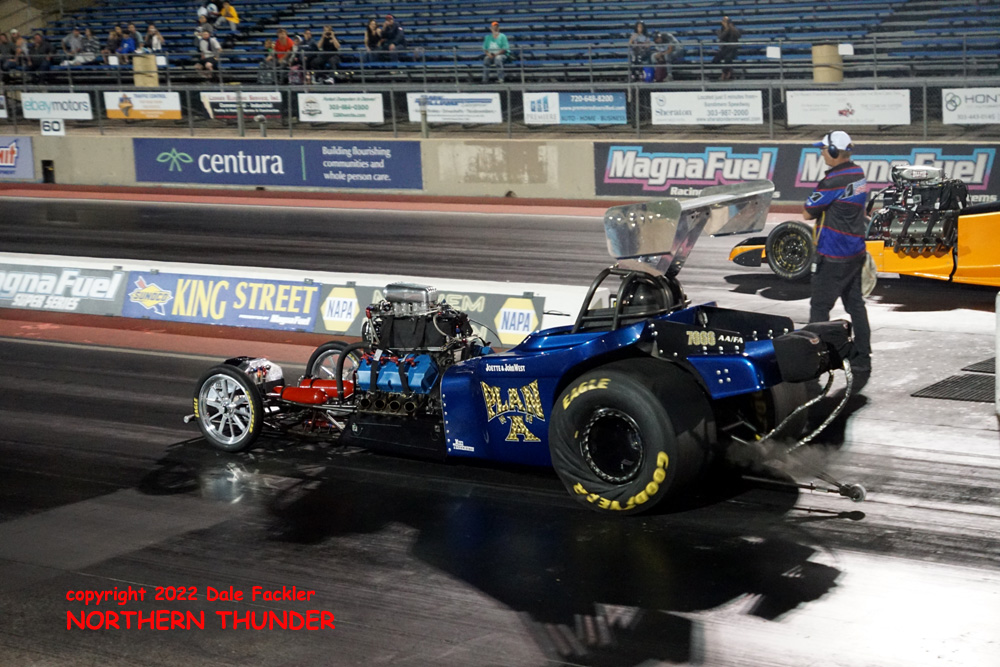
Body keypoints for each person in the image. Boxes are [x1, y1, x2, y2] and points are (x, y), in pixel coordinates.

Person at [802, 131, 872, 390]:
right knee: (856, 306)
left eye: (823, 149)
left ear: (833, 151)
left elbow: (807, 212)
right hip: (854, 252)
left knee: (819, 308)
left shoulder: (832, 180)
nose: (821, 153)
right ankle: (862, 358)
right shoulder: (857, 173)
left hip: (833, 254)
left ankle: (814, 364)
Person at [712, 15, 740, 81]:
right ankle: (729, 72)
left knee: (728, 58)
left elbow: (738, 35)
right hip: (724, 49)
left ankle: (724, 74)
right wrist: (726, 30)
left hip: (732, 48)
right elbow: (721, 37)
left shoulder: (734, 29)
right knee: (716, 60)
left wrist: (731, 28)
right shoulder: (721, 30)